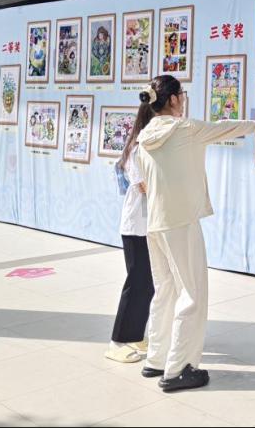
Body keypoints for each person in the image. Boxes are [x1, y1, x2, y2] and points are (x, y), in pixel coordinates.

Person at [136, 75, 255, 392]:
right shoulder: (185, 129)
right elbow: (224, 127)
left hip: (155, 223)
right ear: (172, 99)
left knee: (166, 290)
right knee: (192, 293)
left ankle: (156, 358)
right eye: (181, 94)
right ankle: (179, 368)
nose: (183, 99)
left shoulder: (145, 137)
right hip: (181, 222)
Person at [105, 101, 154, 363]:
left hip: (149, 226)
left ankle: (135, 334)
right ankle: (117, 342)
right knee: (136, 283)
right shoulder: (137, 148)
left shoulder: (149, 146)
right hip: (136, 227)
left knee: (148, 284)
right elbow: (144, 186)